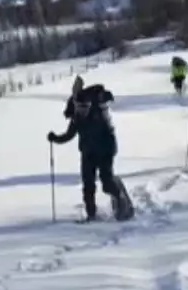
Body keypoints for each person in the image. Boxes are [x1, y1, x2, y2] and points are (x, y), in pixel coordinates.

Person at [48, 84, 134, 221]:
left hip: (106, 150)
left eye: (85, 107)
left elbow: (109, 134)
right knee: (88, 185)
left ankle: (122, 201)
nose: (83, 110)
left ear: (90, 104)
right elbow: (69, 135)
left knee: (107, 182)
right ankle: (91, 215)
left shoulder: (99, 113)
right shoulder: (77, 117)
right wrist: (55, 138)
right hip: (88, 153)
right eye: (80, 107)